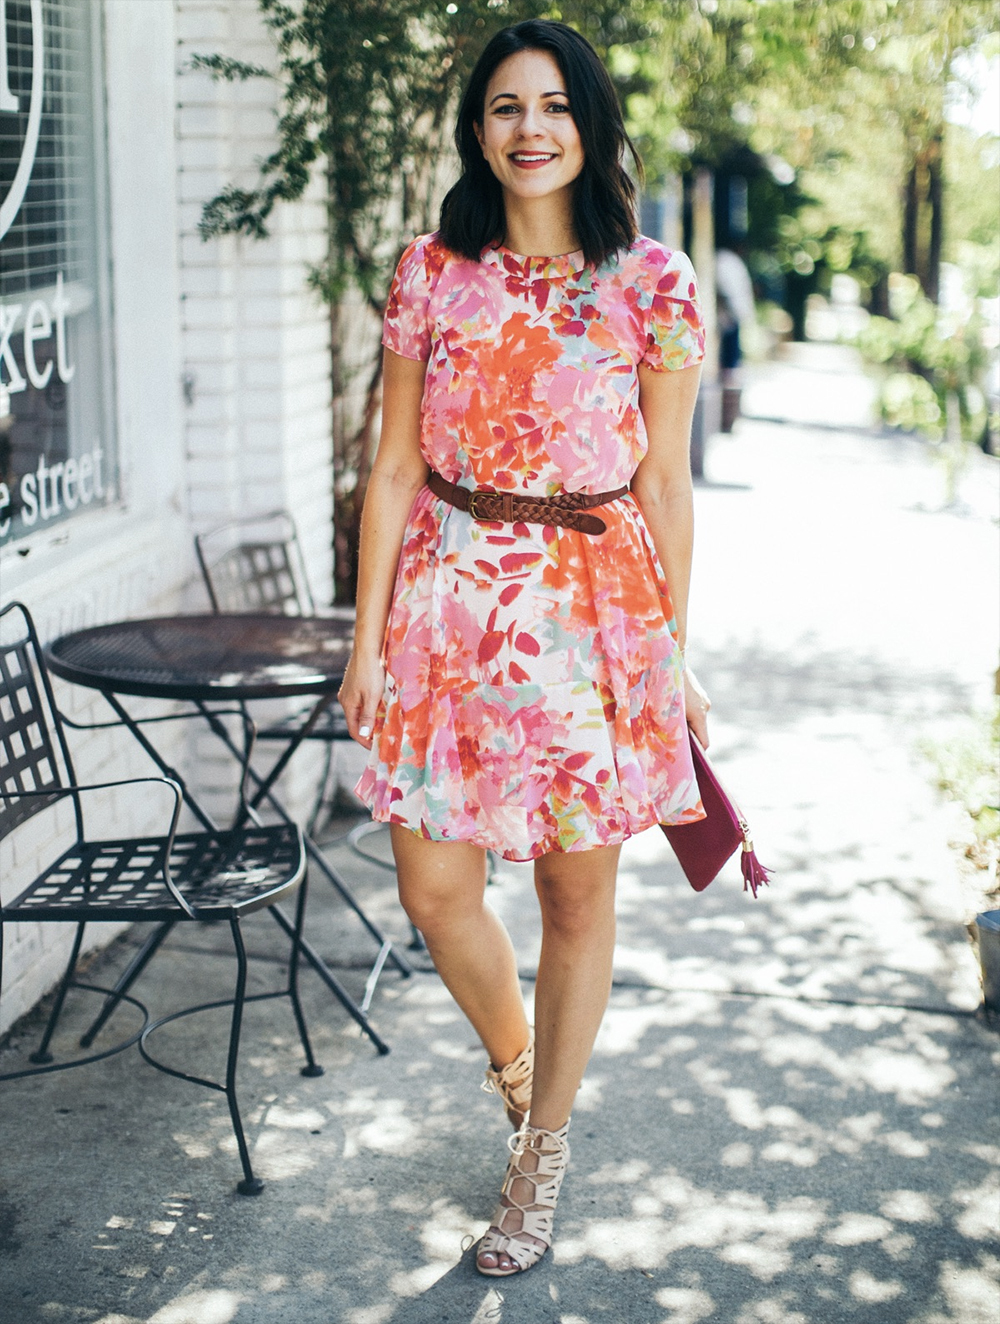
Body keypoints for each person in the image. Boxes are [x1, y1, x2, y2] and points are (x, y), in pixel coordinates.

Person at [338, 18, 710, 1278]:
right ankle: (520, 1077)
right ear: (477, 129)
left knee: (570, 893)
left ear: (590, 123)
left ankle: (541, 1154)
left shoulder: (652, 282)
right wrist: (364, 637)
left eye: (553, 106)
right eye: (505, 107)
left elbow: (663, 484)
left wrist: (672, 650)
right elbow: (391, 465)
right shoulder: (431, 271)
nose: (530, 129)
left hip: (588, 614)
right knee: (435, 890)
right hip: (442, 608)